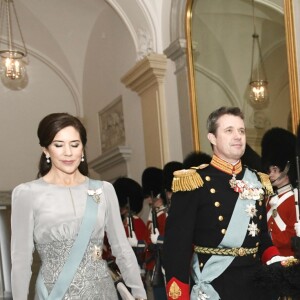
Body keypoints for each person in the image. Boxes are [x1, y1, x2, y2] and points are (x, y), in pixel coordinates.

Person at [10, 112, 147, 300]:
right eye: (58, 145)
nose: (68, 152)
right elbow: (21, 261)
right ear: (46, 150)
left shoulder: (103, 190)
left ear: (82, 148)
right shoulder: (27, 194)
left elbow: (121, 248)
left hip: (102, 292)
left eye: (75, 144)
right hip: (54, 293)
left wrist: (139, 292)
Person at [163, 106, 292, 300]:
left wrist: (276, 259)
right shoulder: (194, 181)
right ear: (212, 138)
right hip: (215, 286)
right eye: (229, 130)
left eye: (241, 130)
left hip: (255, 287)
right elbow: (176, 249)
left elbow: (261, 236)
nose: (238, 136)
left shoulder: (257, 180)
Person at [261, 127, 298, 256]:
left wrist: (267, 240)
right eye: (269, 170)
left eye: (275, 169)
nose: (271, 174)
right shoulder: (267, 199)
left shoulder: (295, 199)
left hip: (287, 259)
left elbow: (292, 234)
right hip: (269, 259)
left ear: (287, 168)